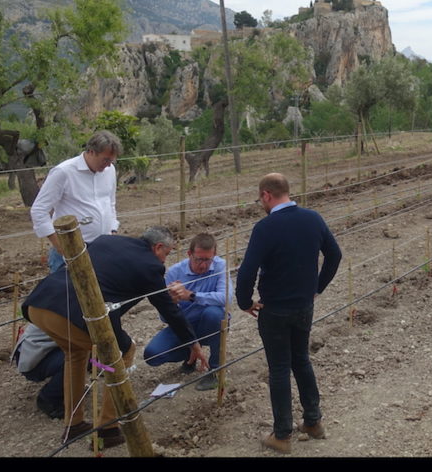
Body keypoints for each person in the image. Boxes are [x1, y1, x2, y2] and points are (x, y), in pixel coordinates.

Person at [22, 226, 209, 450]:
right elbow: (170, 310)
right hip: (74, 314)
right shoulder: (150, 267)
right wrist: (193, 343)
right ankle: (107, 428)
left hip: (39, 305)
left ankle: (74, 423)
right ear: (158, 247)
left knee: (76, 354)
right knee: (124, 352)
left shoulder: (105, 241)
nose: (164, 261)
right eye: (166, 254)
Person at [236, 173, 342, 454]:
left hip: (274, 309)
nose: (262, 203)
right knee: (302, 360)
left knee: (280, 369)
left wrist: (244, 302)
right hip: (304, 305)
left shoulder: (265, 228)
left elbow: (247, 270)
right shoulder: (313, 218)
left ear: (267, 195)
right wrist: (317, 287)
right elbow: (335, 255)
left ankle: (282, 435)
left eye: (261, 199)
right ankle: (313, 422)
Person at [144, 233, 228, 391]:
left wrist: (191, 296)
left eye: (207, 260)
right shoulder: (174, 272)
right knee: (152, 355)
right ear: (189, 254)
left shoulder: (220, 266)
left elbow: (226, 298)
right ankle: (190, 354)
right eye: (199, 259)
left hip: (209, 323)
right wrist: (172, 302)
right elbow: (165, 316)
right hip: (185, 325)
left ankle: (215, 370)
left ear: (214, 255)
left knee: (214, 314)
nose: (203, 265)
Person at [30, 131, 122, 273]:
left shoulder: (109, 171)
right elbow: (39, 209)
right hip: (70, 251)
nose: (108, 165)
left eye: (112, 161)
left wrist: (113, 229)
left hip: (103, 248)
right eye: (105, 160)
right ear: (91, 151)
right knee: (67, 293)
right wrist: (60, 246)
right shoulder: (64, 172)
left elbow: (110, 202)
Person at [11, 322, 65, 419]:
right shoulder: (73, 312)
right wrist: (98, 364)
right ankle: (48, 399)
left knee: (79, 355)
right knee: (73, 359)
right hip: (31, 358)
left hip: (38, 351)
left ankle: (69, 386)